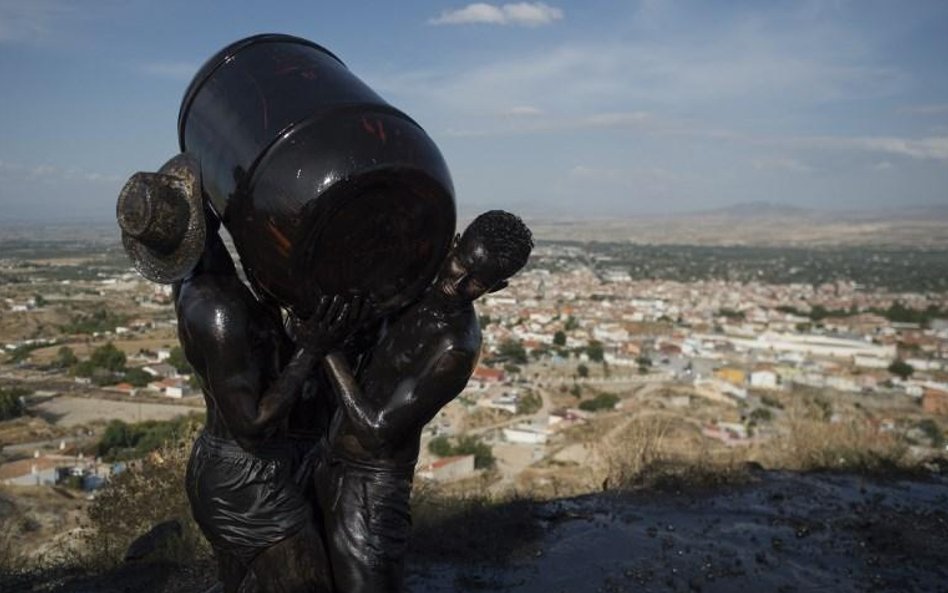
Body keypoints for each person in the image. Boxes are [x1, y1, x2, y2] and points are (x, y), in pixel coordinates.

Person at [316, 210, 533, 593]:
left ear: (496, 288)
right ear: (454, 243)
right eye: (460, 264)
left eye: (475, 282)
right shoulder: (410, 290)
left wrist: (324, 349)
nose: (456, 283)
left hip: (371, 487)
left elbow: (376, 431)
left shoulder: (454, 349)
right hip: (327, 459)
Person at [175, 210, 364, 593]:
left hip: (234, 470)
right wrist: (311, 349)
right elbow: (252, 425)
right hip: (246, 481)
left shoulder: (197, 281)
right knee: (308, 585)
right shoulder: (218, 307)